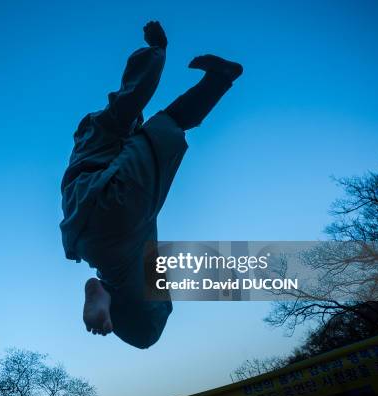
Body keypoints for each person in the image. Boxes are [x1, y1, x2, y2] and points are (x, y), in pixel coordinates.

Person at [60, 21, 243, 349]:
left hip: (106, 223)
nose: (137, 123)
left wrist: (156, 52)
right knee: (148, 330)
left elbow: (133, 94)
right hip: (101, 229)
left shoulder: (101, 139)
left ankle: (220, 78)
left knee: (171, 124)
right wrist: (157, 50)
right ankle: (104, 292)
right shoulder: (104, 128)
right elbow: (130, 98)